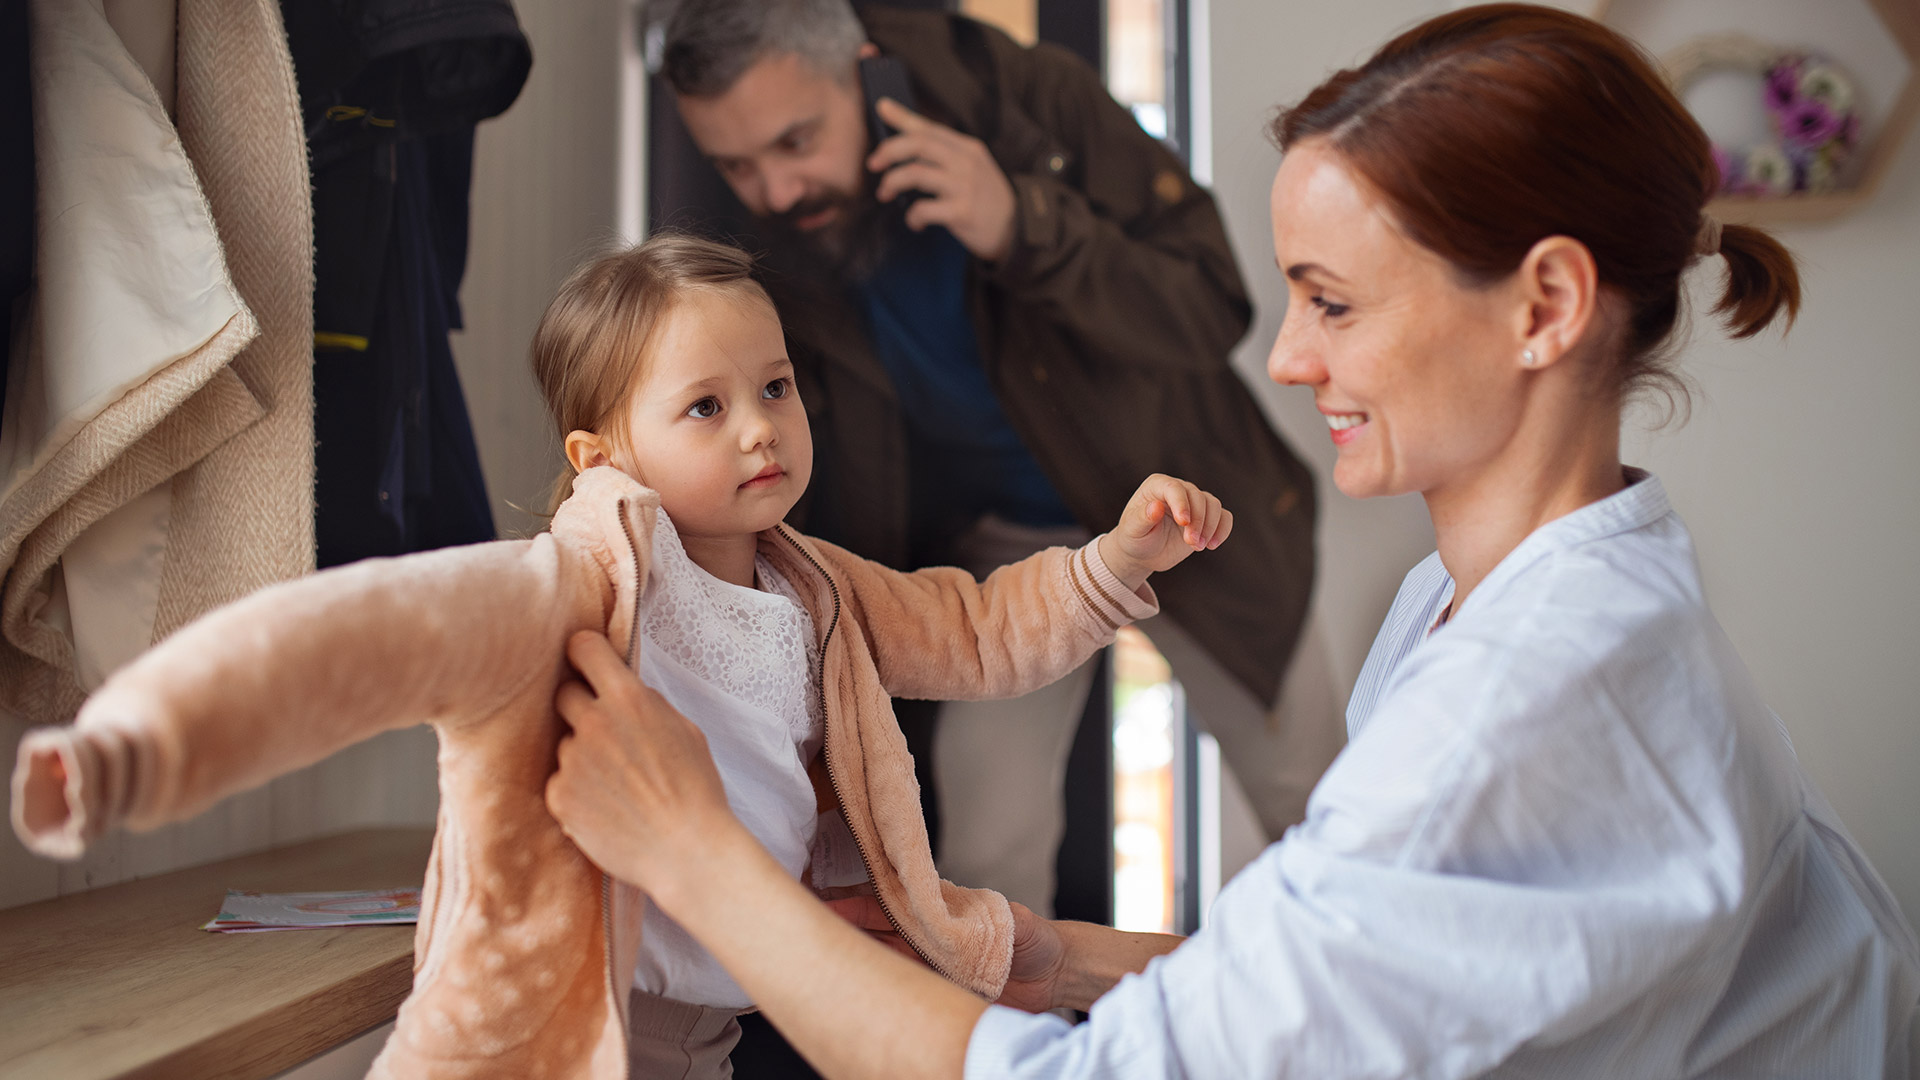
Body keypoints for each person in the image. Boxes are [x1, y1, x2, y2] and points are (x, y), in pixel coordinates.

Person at [543, 6, 1920, 1077]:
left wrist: (700, 862)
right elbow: (1347, 968)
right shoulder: (1500, 593)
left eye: (1331, 302)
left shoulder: (1525, 707)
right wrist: (1043, 953)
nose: (1286, 356)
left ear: (1546, 304)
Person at [11, 232, 1240, 1079]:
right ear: (605, 457)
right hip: (565, 1014)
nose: (762, 427)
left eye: (776, 385)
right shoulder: (569, 592)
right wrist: (138, 745)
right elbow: (351, 637)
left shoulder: (818, 586)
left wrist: (1111, 567)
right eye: (707, 407)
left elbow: (980, 631)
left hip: (715, 1021)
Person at [654, 0, 1337, 916]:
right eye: (738, 164)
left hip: (1188, 513)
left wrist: (1026, 223)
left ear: (866, 64)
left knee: (1319, 811)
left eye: (796, 141)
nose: (775, 190)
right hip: (1002, 553)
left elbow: (1212, 301)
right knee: (985, 858)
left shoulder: (1033, 98)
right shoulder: (757, 239)